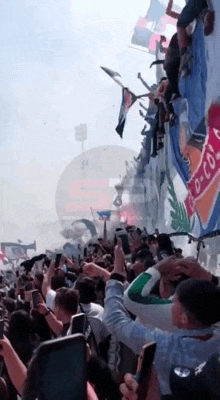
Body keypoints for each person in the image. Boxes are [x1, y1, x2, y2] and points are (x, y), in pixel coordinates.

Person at [103, 240, 220, 396]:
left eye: (174, 303)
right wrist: (206, 277)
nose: (169, 305)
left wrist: (117, 273)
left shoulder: (165, 346)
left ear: (184, 319)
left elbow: (115, 320)